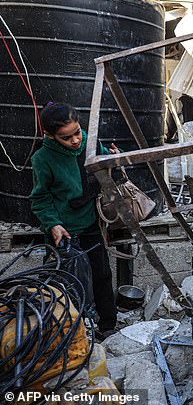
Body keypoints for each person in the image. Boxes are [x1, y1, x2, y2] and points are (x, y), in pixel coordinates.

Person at [30, 102, 119, 340]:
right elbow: (40, 199)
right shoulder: (43, 159)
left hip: (90, 222)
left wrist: (113, 161)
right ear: (49, 135)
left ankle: (108, 325)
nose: (76, 141)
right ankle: (69, 330)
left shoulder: (89, 143)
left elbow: (107, 173)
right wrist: (53, 224)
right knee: (67, 281)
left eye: (77, 132)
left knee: (102, 274)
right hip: (64, 230)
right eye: (66, 137)